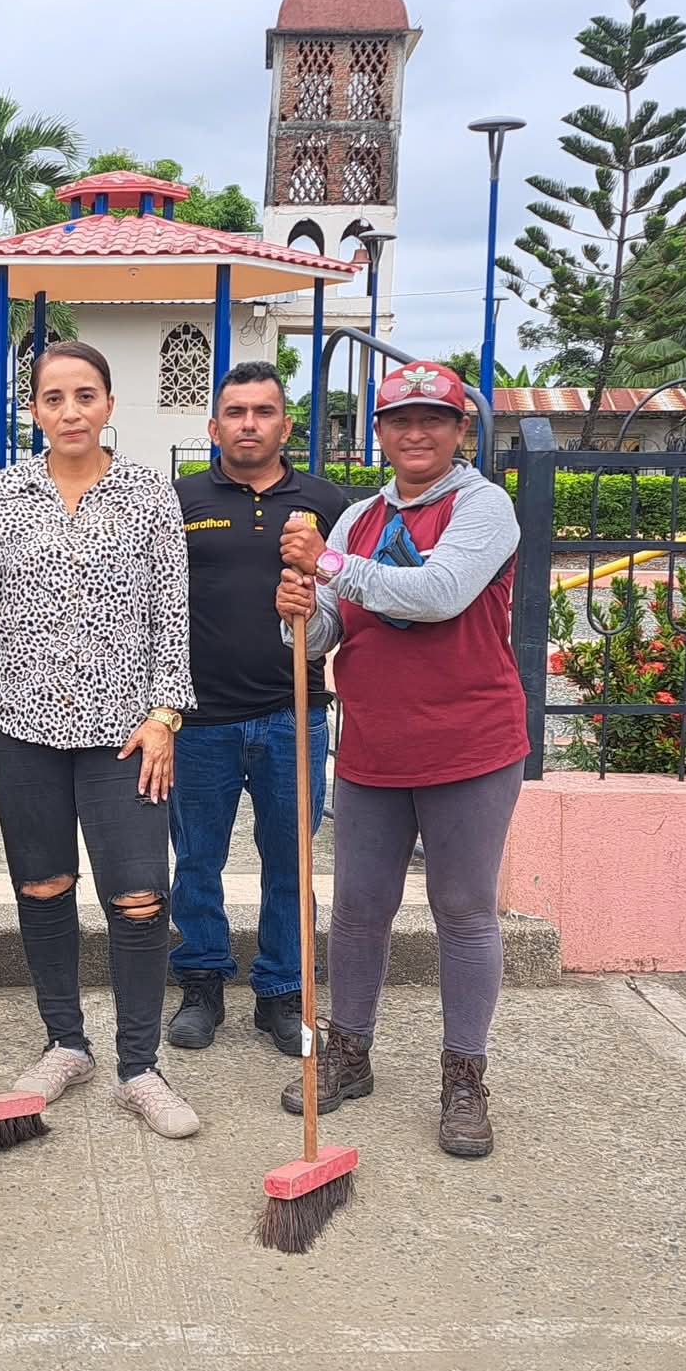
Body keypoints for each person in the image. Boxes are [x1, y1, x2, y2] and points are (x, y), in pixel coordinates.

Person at [275, 359, 529, 1158]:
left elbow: (440, 594)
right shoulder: (355, 519)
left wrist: (325, 566)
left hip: (470, 743)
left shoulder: (483, 506)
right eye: (399, 421)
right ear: (379, 433)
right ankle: (348, 1053)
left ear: (460, 430)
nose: (416, 433)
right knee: (357, 908)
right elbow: (324, 633)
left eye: (433, 420)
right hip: (373, 743)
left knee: (463, 909)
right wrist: (296, 613)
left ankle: (464, 1078)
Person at [0, 340, 198, 1140]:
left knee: (139, 895)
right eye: (53, 398)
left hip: (123, 731)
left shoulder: (148, 494)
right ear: (34, 410)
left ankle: (139, 1066)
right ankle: (65, 1042)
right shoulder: (4, 492)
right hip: (20, 722)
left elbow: (172, 614)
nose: (69, 412)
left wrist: (165, 715)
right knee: (43, 886)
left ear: (108, 405)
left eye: (84, 396)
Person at [167, 362, 346, 1057]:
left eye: (263, 411)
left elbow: (350, 600)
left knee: (290, 860)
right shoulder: (180, 499)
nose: (249, 424)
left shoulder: (326, 501)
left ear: (285, 425)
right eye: (236, 412)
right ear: (214, 427)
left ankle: (282, 991)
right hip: (199, 718)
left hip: (291, 712)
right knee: (196, 860)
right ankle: (202, 982)